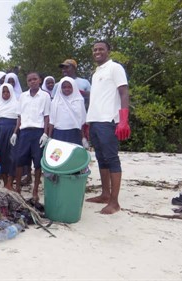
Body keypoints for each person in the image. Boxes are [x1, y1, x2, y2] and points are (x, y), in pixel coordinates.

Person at [85, 40, 131, 215]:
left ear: (108, 51)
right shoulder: (96, 73)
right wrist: (89, 123)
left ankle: (114, 202)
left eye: (101, 49)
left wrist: (123, 119)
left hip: (108, 120)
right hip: (95, 121)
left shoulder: (115, 68)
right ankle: (105, 194)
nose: (97, 52)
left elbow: (124, 92)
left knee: (111, 158)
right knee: (101, 158)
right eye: (95, 49)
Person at [10, 72, 51, 202]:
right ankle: (17, 189)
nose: (32, 81)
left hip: (38, 132)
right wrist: (15, 132)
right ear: (27, 82)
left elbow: (46, 116)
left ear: (39, 80)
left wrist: (46, 133)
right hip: (24, 132)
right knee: (19, 160)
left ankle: (35, 191)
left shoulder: (45, 96)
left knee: (38, 162)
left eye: (35, 79)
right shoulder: (23, 96)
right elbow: (19, 117)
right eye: (29, 80)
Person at [0, 83, 20, 189]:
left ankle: (11, 182)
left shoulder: (16, 104)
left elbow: (20, 120)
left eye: (8, 91)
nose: (5, 94)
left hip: (13, 133)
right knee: (1, 158)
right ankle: (5, 182)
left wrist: (15, 132)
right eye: (3, 92)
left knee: (13, 158)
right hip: (0, 133)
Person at [48, 77, 87, 145]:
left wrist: (83, 137)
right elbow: (52, 121)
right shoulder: (55, 101)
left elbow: (81, 121)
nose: (67, 89)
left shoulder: (79, 101)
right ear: (60, 88)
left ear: (74, 87)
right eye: (64, 87)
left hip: (75, 133)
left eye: (69, 87)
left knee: (74, 155)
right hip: (59, 133)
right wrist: (49, 137)